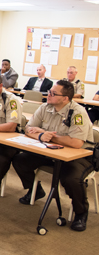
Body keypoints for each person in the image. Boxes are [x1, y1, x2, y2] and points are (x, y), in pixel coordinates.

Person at [12, 80, 94, 231]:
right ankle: (35, 190)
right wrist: (41, 135)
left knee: (71, 179)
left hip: (79, 155)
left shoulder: (78, 113)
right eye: (49, 91)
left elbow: (76, 143)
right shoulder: (45, 107)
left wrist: (47, 136)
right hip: (50, 150)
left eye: (53, 93)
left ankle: (81, 212)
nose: (48, 95)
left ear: (65, 98)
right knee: (20, 160)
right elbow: (28, 128)